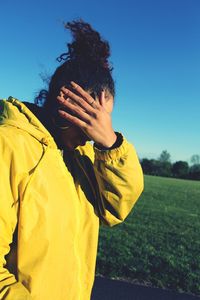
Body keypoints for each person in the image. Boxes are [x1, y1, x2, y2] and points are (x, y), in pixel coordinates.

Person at [0, 20, 143, 300]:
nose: (93, 133)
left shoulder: (83, 155)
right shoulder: (11, 146)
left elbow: (116, 209)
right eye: (92, 119)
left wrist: (110, 143)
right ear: (66, 101)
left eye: (104, 122)